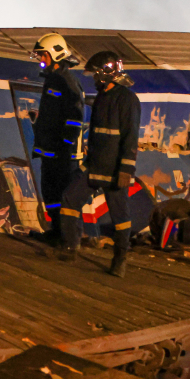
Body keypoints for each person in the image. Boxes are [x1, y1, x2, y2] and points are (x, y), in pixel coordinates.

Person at [59, 51, 140, 278]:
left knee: (120, 217)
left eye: (96, 74)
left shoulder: (128, 100)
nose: (93, 78)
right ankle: (69, 247)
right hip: (94, 166)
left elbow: (130, 138)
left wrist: (126, 169)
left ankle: (120, 260)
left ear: (106, 72)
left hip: (115, 171)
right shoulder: (103, 96)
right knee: (69, 198)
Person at [30, 33, 85, 243]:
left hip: (62, 155)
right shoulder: (54, 80)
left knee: (64, 196)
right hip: (50, 153)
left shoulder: (66, 82)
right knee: (50, 194)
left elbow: (75, 118)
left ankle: (68, 238)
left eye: (43, 56)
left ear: (55, 54)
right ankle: (55, 231)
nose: (40, 61)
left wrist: (65, 145)